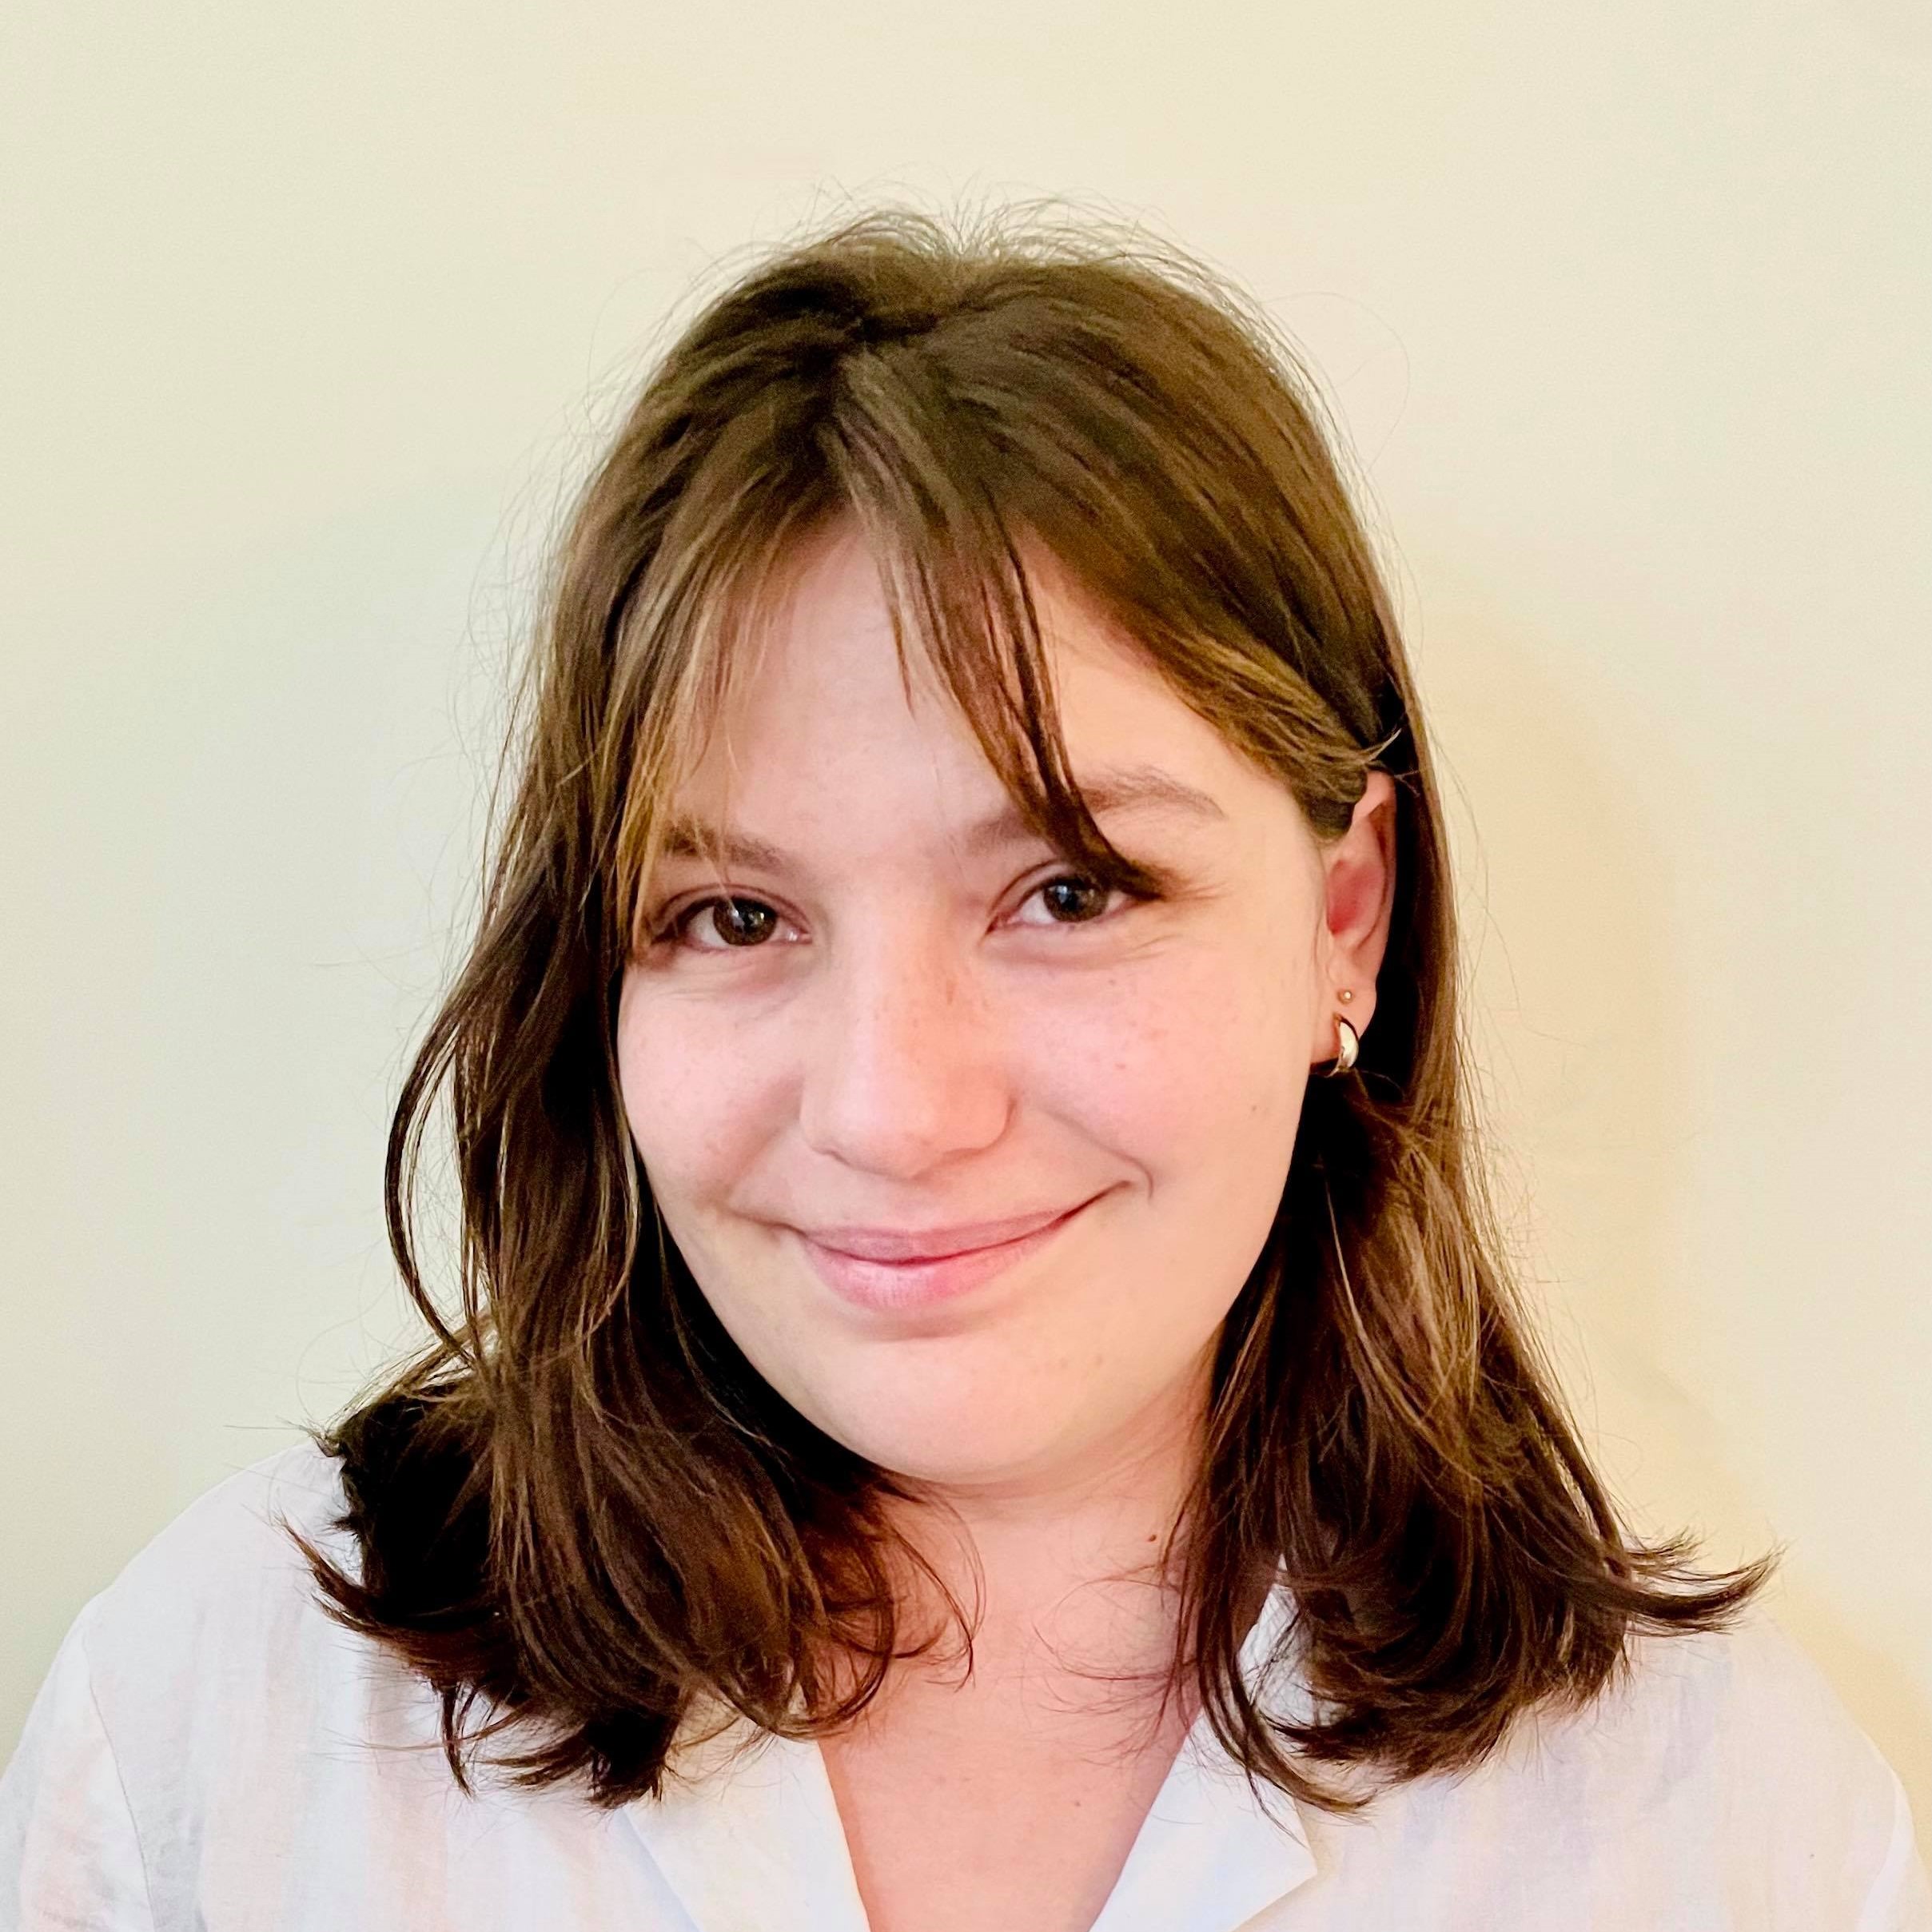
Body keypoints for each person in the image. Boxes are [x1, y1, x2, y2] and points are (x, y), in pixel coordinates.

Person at [2, 205, 1926, 1932]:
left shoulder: (1729, 1834)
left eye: (1071, 889)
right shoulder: (225, 1721)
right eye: (735, 918)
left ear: (1347, 919)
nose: (897, 1109)